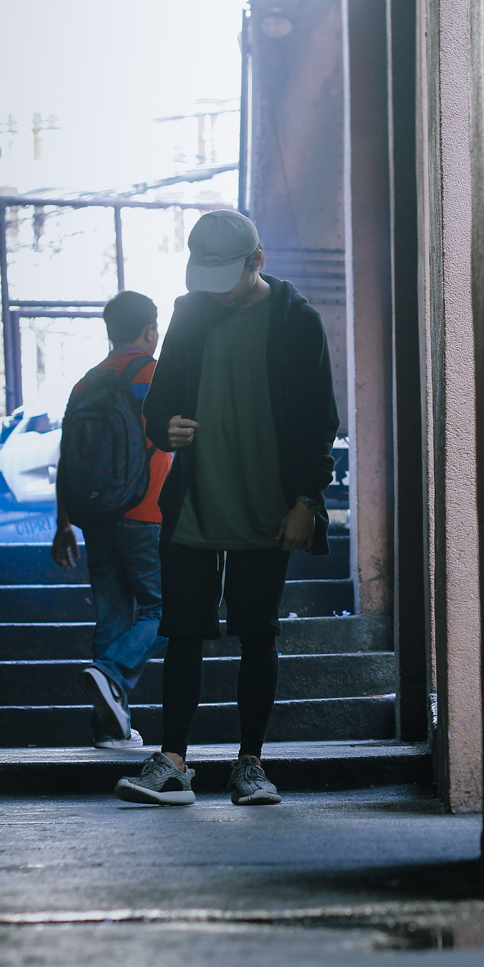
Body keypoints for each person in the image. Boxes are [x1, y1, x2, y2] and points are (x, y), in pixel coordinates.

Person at [115, 210, 338, 807]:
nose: (215, 291)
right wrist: (166, 427)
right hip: (195, 503)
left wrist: (307, 499)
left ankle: (250, 766)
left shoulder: (296, 321)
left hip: (269, 507)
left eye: (227, 278)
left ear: (257, 261)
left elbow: (320, 420)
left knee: (257, 635)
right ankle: (173, 763)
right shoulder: (190, 314)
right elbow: (158, 407)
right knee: (183, 633)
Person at [51, 291, 172, 750]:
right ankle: (110, 671)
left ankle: (109, 727)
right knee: (168, 611)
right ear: (150, 331)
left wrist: (63, 523)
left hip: (96, 517)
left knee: (112, 616)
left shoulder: (85, 384)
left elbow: (67, 458)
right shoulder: (153, 374)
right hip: (146, 512)